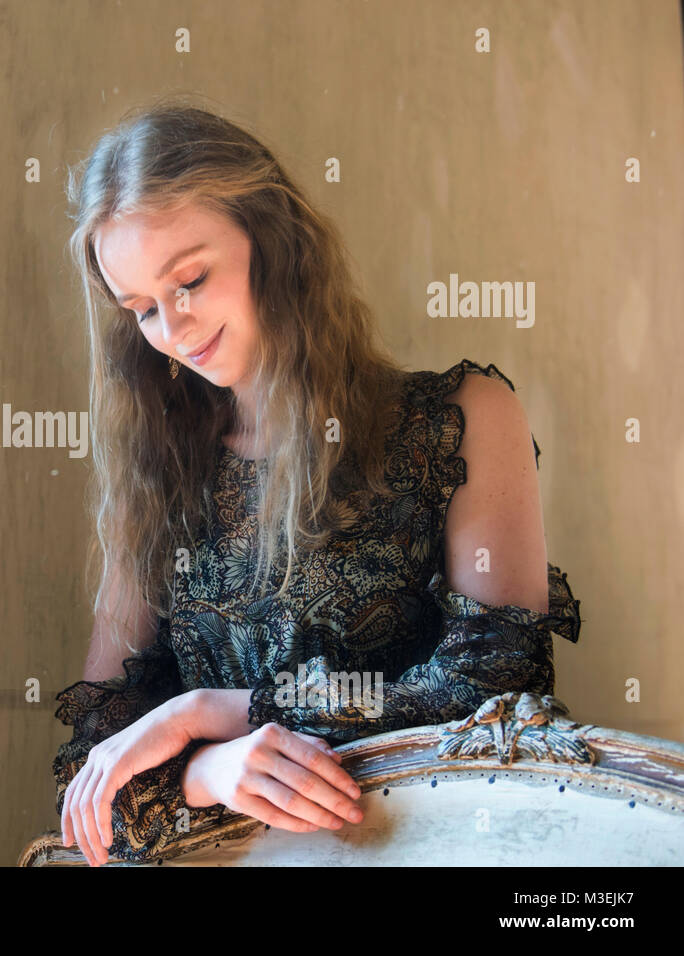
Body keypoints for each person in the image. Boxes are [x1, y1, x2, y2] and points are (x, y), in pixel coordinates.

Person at [53, 99, 582, 867]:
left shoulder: (465, 418)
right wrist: (209, 769)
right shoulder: (163, 481)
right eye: (143, 308)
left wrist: (207, 711)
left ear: (269, 238)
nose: (175, 327)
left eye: (191, 278)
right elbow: (86, 784)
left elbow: (495, 695)